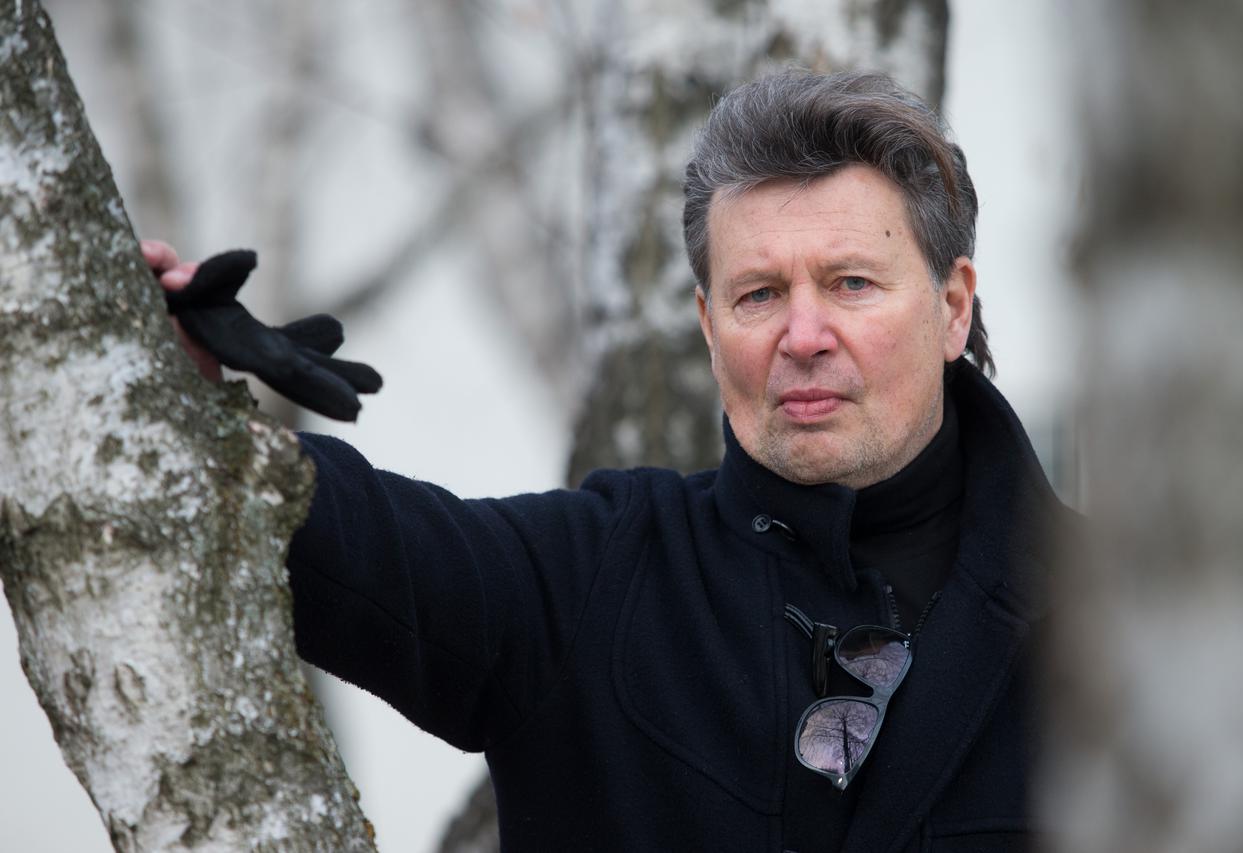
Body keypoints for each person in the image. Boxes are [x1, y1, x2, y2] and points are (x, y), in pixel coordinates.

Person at [146, 70, 1062, 853]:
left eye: (850, 282)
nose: (803, 335)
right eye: (758, 294)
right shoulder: (596, 578)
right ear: (709, 326)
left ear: (952, 306)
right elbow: (349, 537)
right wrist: (173, 400)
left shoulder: (1107, 619)